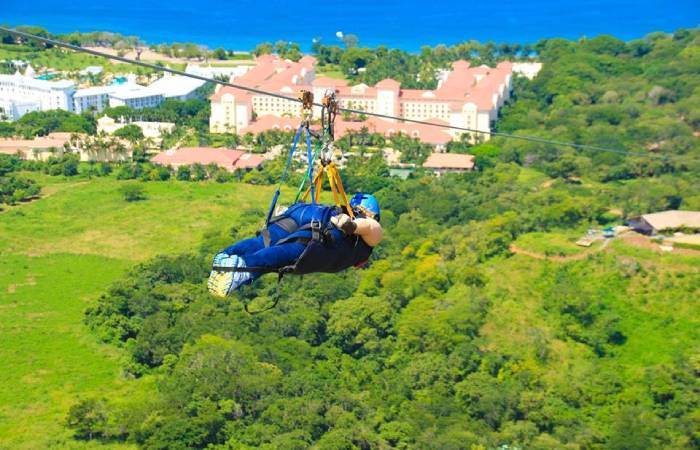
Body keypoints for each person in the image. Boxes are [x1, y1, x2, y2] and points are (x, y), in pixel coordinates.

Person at [208, 193, 383, 297]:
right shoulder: (366, 240)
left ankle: (227, 255)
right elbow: (371, 227)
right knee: (282, 252)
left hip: (304, 213)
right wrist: (351, 226)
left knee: (264, 242)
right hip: (323, 230)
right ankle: (242, 267)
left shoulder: (345, 217)